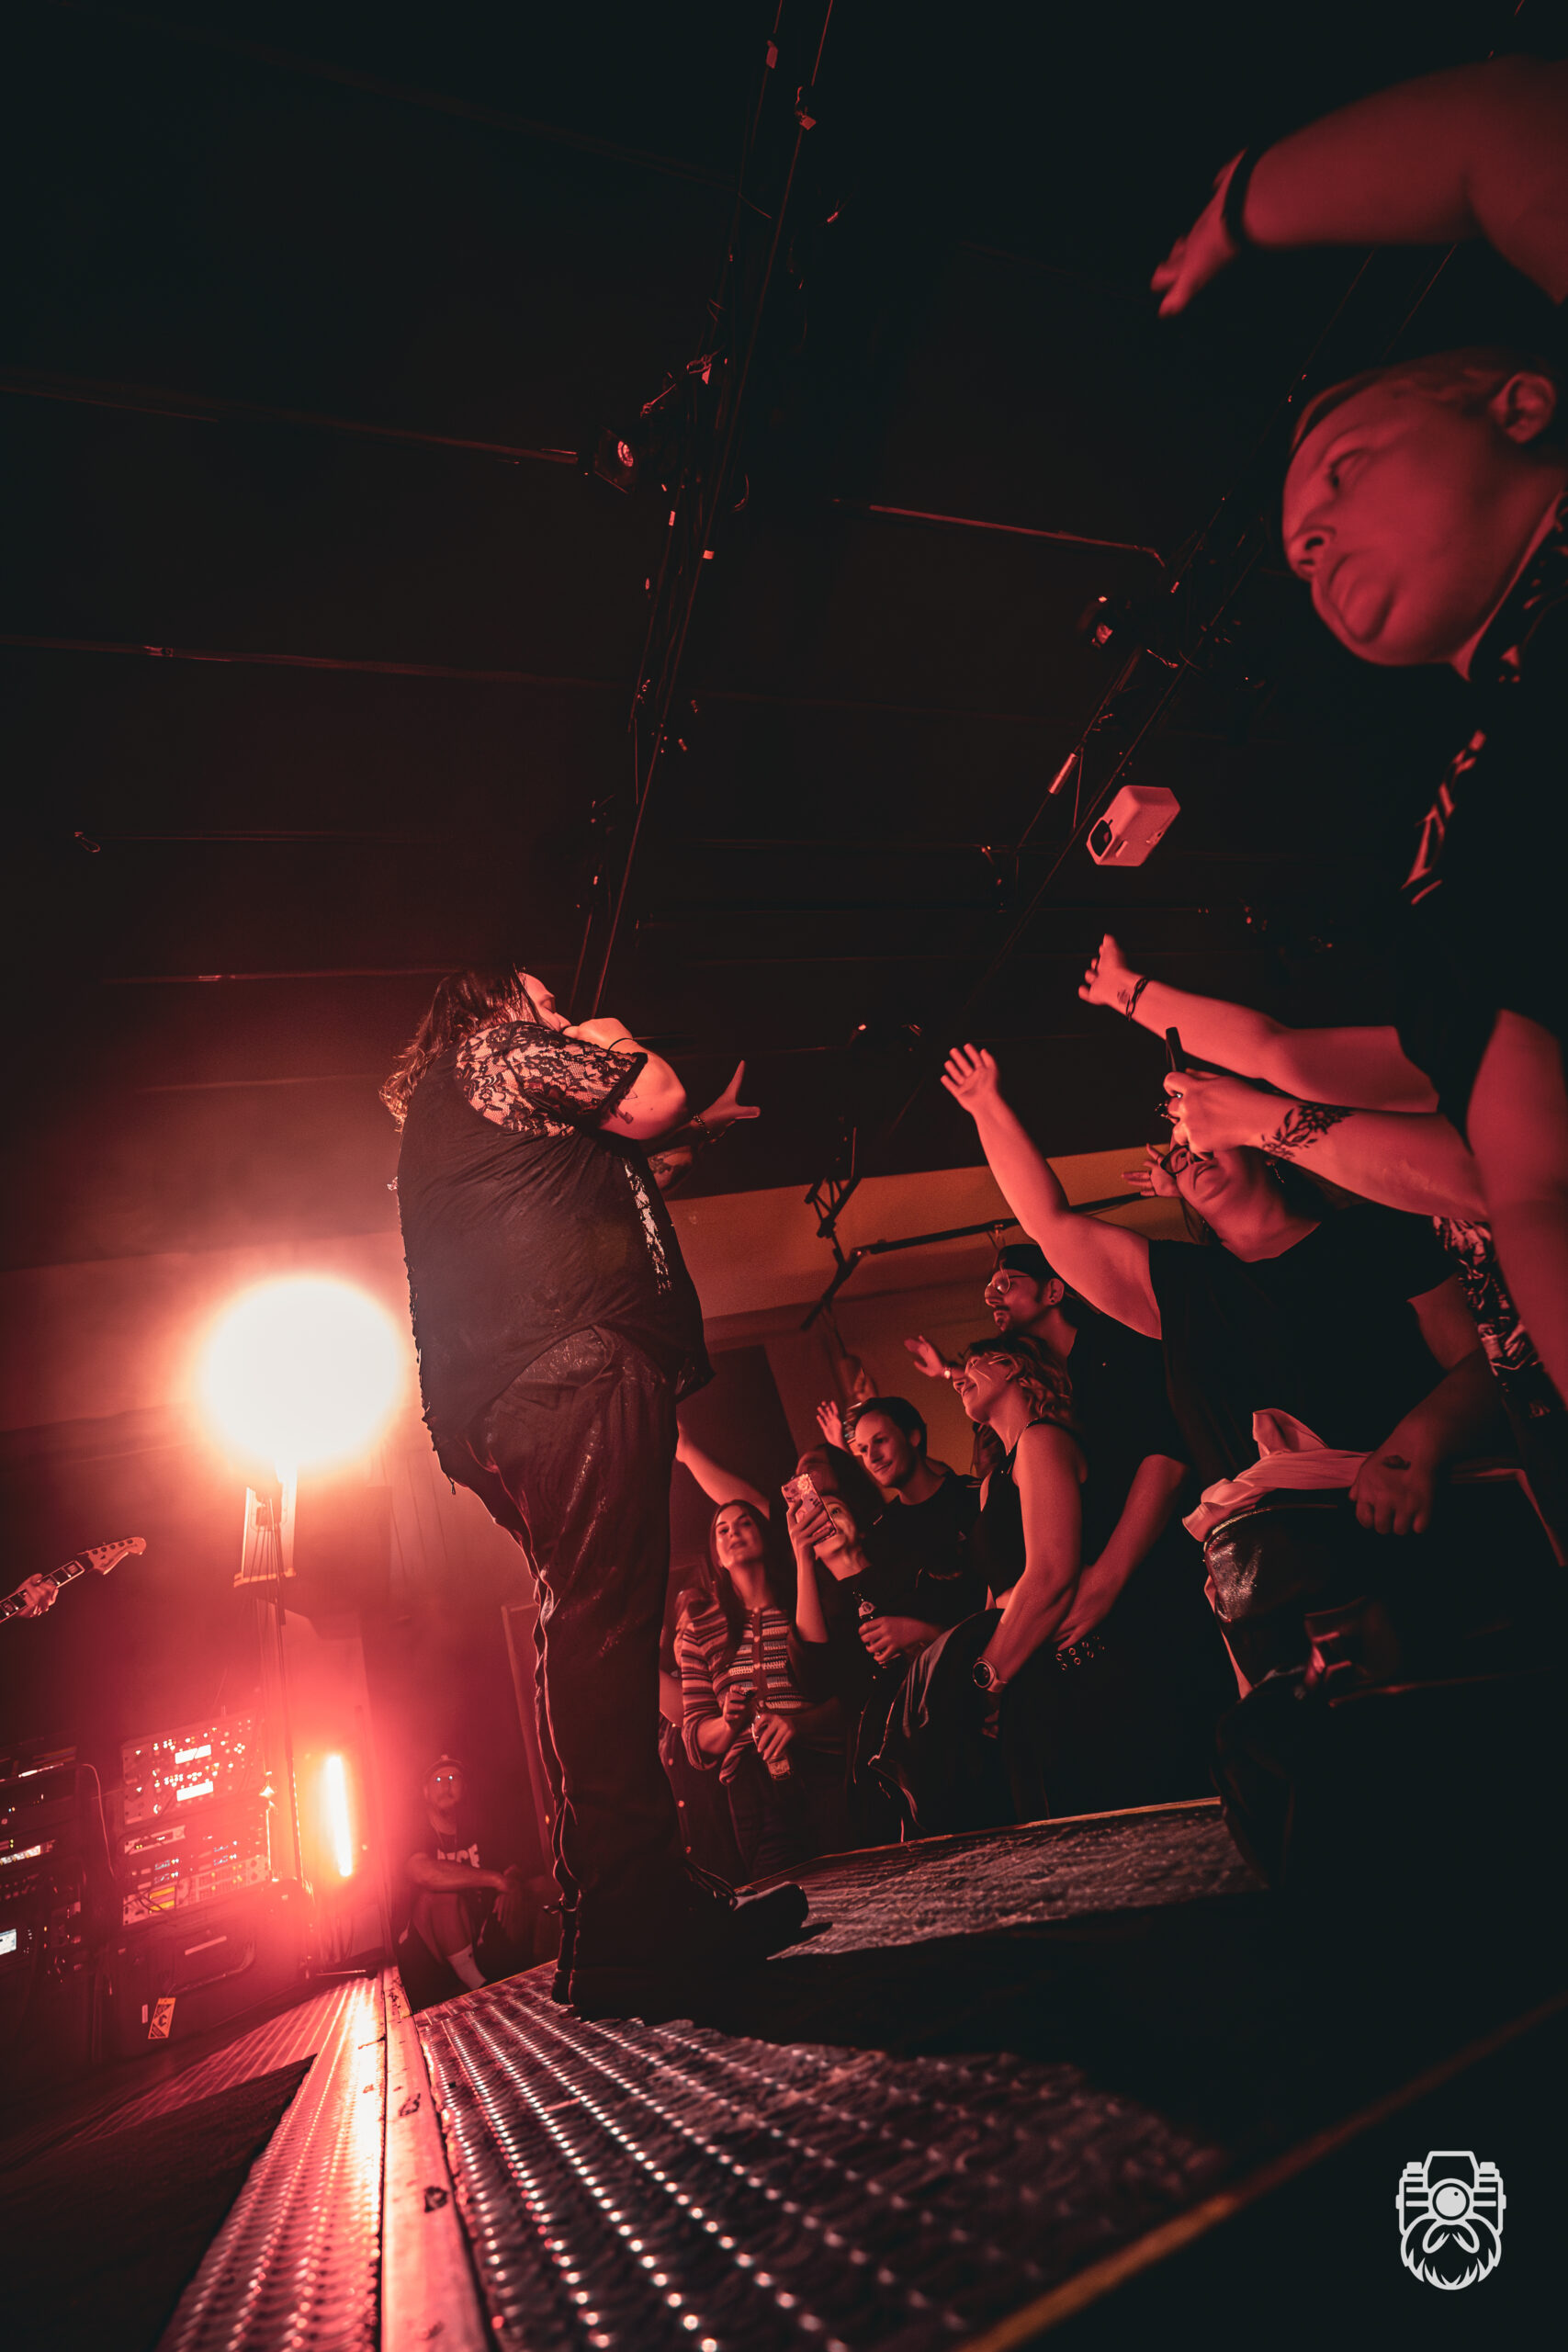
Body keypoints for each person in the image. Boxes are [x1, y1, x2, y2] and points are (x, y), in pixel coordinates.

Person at [1150, 56, 1568, 1410]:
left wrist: (1244, 204)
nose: (1316, 538)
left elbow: (1507, 134)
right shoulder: (1463, 826)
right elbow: (1528, 1182)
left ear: (1517, 404)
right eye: (1301, 553)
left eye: (1343, 474)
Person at [383, 965, 807, 2014]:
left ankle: (613, 1913)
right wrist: (608, 1036)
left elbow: (611, 1178)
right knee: (602, 1625)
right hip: (567, 1361)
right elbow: (646, 1096)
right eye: (539, 997)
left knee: (582, 1620)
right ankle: (634, 1920)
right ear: (492, 1005)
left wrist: (693, 1130)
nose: (557, 1010)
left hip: (513, 1389)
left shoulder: (474, 1108)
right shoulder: (494, 1050)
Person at [942, 1041, 1502, 1682]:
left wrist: (1415, 1445)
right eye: (1180, 1155)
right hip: (1271, 1591)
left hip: (1414, 1540)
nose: (1191, 1154)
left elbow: (1481, 1365)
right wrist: (986, 1106)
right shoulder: (1177, 1284)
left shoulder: (1376, 1234)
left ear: (1263, 1146)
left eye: (1206, 1139)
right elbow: (1047, 1221)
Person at [784, 1442, 989, 1838]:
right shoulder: (823, 1610)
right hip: (875, 1766)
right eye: (815, 1519)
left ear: (861, 1526)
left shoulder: (910, 1572)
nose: (824, 1521)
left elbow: (972, 1626)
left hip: (947, 1738)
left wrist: (920, 1632)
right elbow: (813, 1677)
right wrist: (802, 1560)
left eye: (834, 1511)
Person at [676, 1500, 849, 1874]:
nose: (733, 1533)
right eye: (722, 1530)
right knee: (779, 1894)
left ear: (766, 1537)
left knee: (851, 1881)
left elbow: (847, 1702)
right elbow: (695, 1738)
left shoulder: (805, 1603)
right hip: (752, 1786)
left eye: (745, 1524)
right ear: (716, 1556)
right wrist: (728, 1722)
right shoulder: (698, 1629)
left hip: (821, 1768)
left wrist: (796, 1725)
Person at [395, 1755, 552, 2012]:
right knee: (442, 1896)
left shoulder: (478, 1826)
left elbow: (513, 1867)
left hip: (473, 1934)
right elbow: (423, 1873)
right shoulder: (414, 1831)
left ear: (464, 1787)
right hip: (426, 1952)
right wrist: (495, 1880)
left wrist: (510, 1883)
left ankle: (546, 1972)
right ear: (425, 1792)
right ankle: (480, 1987)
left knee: (540, 1887)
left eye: (452, 1778)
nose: (446, 1785)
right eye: (437, 1780)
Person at [843, 1396, 982, 1595]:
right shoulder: (880, 1531)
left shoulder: (973, 1497)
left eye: (880, 1441)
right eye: (863, 1450)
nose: (872, 1457)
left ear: (913, 1437)